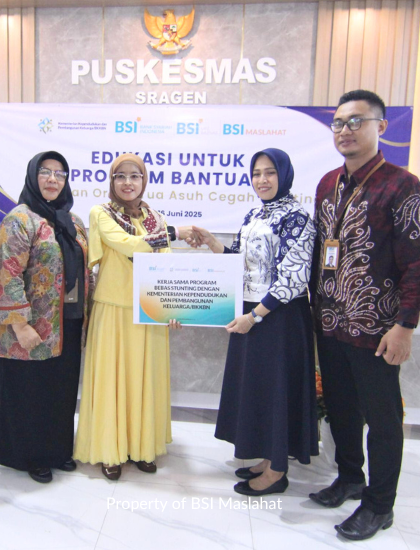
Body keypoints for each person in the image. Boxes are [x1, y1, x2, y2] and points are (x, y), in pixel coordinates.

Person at [309, 90, 420, 541]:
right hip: (330, 323)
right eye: (338, 123)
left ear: (381, 126)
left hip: (377, 329)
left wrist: (405, 326)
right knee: (341, 408)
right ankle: (349, 478)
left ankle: (380, 505)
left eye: (356, 121)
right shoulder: (328, 184)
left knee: (382, 420)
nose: (345, 131)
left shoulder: (404, 186)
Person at [189, 148, 318, 497]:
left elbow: (293, 278)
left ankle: (277, 472)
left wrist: (255, 316)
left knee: (276, 390)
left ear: (284, 175)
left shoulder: (297, 218)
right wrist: (212, 242)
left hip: (278, 319)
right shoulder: (254, 214)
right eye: (257, 173)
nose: (262, 180)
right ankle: (267, 457)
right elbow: (241, 262)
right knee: (259, 389)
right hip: (252, 313)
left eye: (270, 172)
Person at [73, 153, 193, 480]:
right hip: (113, 309)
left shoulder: (156, 218)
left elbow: (165, 264)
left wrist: (172, 307)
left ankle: (142, 447)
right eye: (120, 176)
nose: (128, 182)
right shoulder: (101, 212)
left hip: (149, 311)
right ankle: (109, 450)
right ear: (112, 181)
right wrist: (174, 232)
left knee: (145, 380)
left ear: (144, 180)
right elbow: (126, 244)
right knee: (112, 380)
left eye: (135, 176)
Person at [0, 151, 89, 483]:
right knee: (31, 391)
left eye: (60, 173)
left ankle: (57, 450)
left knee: (60, 389)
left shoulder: (73, 222)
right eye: (45, 171)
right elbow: (7, 273)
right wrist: (20, 325)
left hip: (68, 322)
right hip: (31, 325)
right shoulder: (20, 219)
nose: (53, 179)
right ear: (32, 176)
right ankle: (31, 455)